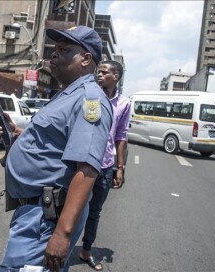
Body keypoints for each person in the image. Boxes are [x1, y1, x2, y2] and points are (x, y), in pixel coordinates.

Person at [0, 26, 113, 272]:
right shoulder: (67, 94)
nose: (54, 55)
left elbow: (87, 169)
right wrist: (16, 134)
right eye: (55, 50)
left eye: (64, 50)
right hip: (36, 212)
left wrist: (62, 233)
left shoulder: (90, 99)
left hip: (47, 217)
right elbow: (54, 142)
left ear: (86, 59)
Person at [79, 60, 131, 271]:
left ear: (116, 76)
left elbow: (121, 136)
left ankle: (85, 250)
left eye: (104, 72)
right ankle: (59, 245)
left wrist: (120, 167)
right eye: (98, 72)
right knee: (67, 205)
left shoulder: (124, 103)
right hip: (83, 162)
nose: (99, 75)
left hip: (106, 165)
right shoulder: (89, 96)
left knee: (95, 211)